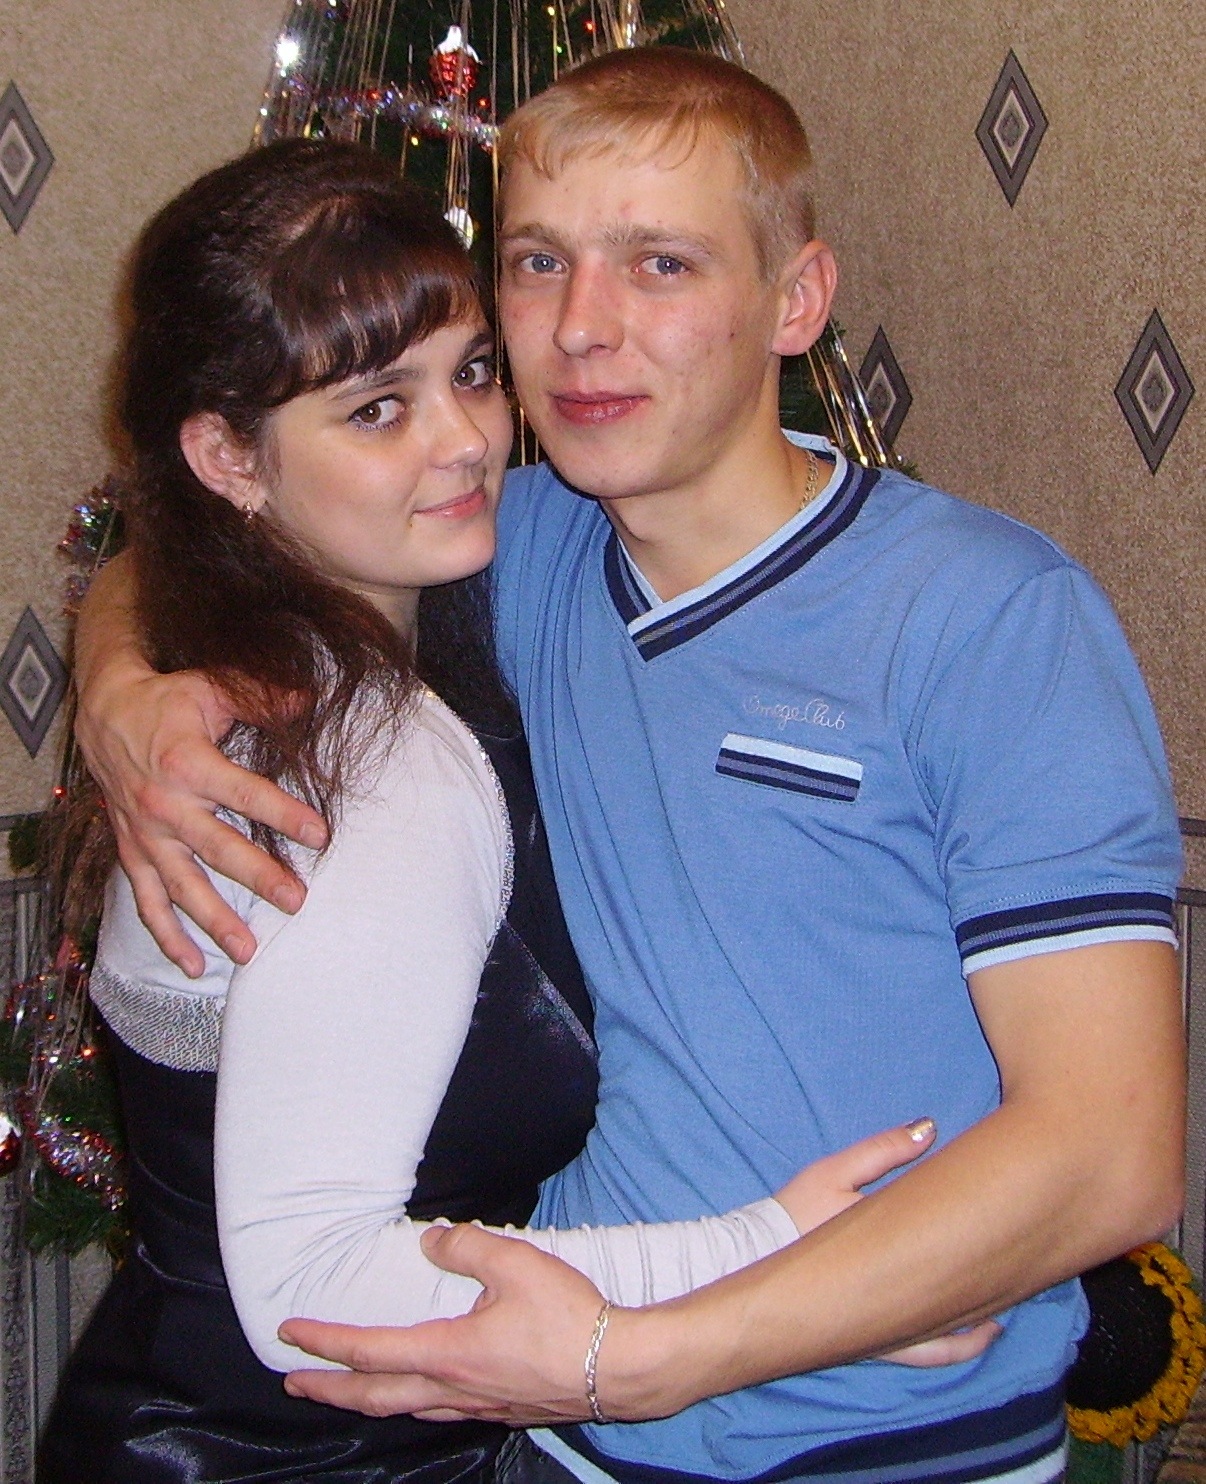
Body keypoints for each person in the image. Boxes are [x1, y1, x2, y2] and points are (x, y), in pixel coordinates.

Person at [73, 48, 1185, 1484]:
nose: (582, 330)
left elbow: (1111, 1152)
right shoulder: (509, 545)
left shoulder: (985, 617)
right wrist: (121, 689)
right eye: (539, 265)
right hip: (562, 1439)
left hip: (893, 1438)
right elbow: (231, 517)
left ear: (795, 301)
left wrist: (659, 1352)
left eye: (660, 264)